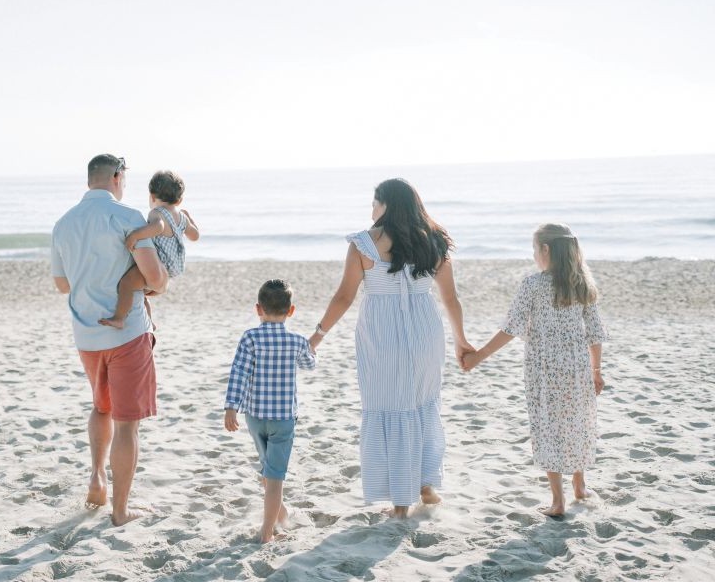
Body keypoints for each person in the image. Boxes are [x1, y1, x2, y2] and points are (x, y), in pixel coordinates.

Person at [308, 178, 473, 519]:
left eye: (374, 203)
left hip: (381, 336)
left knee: (389, 407)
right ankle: (425, 487)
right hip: (425, 332)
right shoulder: (434, 241)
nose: (371, 210)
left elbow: (344, 297)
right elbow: (451, 299)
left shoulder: (364, 244)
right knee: (420, 405)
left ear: (385, 204)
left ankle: (400, 504)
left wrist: (317, 335)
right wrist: (461, 340)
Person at [462, 223, 609, 518]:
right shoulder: (583, 283)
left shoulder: (534, 284)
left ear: (545, 250)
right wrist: (596, 370)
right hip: (577, 367)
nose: (533, 255)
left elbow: (511, 328)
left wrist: (479, 356)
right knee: (576, 421)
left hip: (544, 370)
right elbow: (595, 332)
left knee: (548, 427)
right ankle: (579, 486)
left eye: (534, 249)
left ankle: (558, 501)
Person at [51, 154, 168, 526]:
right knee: (127, 423)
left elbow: (62, 284)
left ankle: (97, 479)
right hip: (127, 333)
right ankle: (120, 510)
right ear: (117, 177)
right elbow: (155, 279)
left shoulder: (64, 223)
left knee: (101, 407)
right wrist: (156, 283)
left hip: (86, 334)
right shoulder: (127, 217)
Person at [223, 279, 317, 542]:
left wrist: (231, 407)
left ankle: (281, 513)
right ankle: (266, 533)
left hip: (254, 416)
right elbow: (310, 365)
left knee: (268, 468)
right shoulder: (296, 341)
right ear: (291, 310)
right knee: (274, 477)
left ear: (258, 309)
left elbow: (238, 373)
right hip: (283, 419)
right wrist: (313, 346)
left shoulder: (250, 337)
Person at [99, 170, 200, 330]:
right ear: (179, 200)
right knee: (140, 294)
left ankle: (119, 318)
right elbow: (195, 236)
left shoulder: (157, 212)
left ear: (152, 196)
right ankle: (150, 322)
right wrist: (190, 220)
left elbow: (158, 227)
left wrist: (135, 235)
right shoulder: (182, 217)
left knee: (127, 284)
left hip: (158, 265)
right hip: (174, 268)